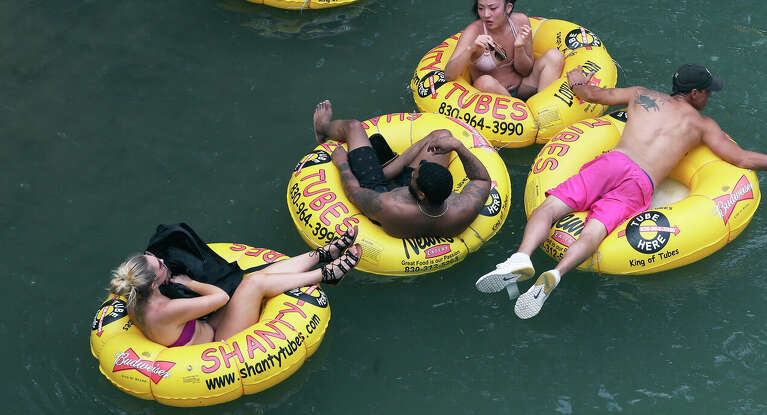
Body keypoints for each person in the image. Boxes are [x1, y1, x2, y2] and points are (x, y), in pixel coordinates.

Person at [476, 63, 767, 319]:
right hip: (640, 182)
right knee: (597, 230)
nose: (709, 97)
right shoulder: (702, 125)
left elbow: (592, 94)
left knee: (551, 207)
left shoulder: (642, 95)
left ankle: (522, 256)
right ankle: (555, 275)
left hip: (613, 161)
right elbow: (740, 159)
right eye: (708, 91)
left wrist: (576, 78)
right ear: (694, 93)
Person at [106, 228, 360, 347]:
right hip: (219, 342)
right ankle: (325, 274)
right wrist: (190, 283)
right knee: (253, 283)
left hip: (209, 327)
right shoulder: (167, 309)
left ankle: (324, 253)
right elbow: (221, 297)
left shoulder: (133, 298)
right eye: (160, 265)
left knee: (255, 276)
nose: (164, 261)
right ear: (153, 283)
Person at [312, 100, 494, 239]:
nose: (414, 171)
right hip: (419, 198)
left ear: (421, 193)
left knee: (353, 126)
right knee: (441, 136)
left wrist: (342, 163)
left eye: (415, 174)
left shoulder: (388, 205)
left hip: (378, 189)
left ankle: (322, 128)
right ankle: (387, 169)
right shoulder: (461, 210)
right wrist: (458, 146)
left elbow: (354, 192)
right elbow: (482, 180)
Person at [443, 0, 564, 99]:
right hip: (493, 95)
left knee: (554, 56)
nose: (486, 14)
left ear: (508, 7)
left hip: (522, 87)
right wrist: (471, 48)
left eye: (493, 8)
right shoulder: (474, 31)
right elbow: (449, 75)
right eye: (481, 8)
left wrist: (519, 48)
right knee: (485, 81)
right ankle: (522, 113)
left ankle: (542, 110)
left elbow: (526, 71)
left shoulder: (520, 22)